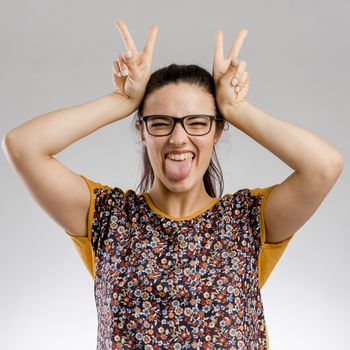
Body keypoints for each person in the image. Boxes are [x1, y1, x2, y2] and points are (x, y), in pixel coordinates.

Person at [2, 19, 343, 350]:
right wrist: (120, 102)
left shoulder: (248, 220)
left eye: (197, 122)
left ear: (217, 131)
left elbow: (324, 167)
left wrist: (236, 109)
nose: (179, 138)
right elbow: (22, 146)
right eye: (161, 123)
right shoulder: (106, 217)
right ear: (142, 132)